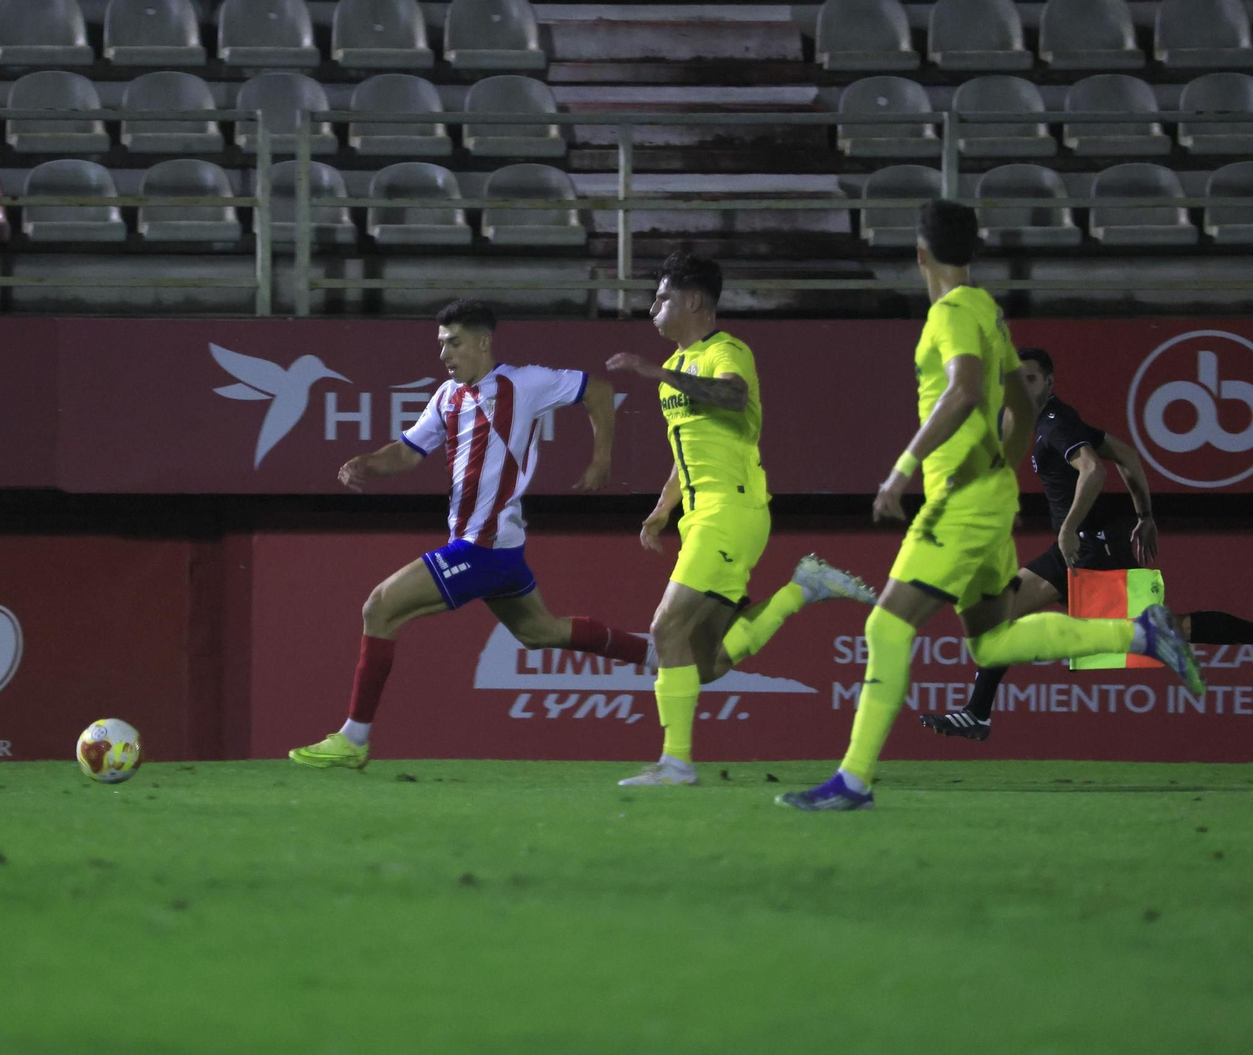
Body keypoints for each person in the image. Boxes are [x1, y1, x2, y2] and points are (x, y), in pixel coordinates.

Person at [777, 199, 1205, 812]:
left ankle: (852, 781)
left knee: (885, 624)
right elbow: (1022, 409)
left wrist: (902, 469)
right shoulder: (988, 311)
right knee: (991, 642)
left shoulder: (950, 312)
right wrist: (1001, 471)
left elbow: (965, 388)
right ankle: (1141, 630)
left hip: (957, 502)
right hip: (987, 498)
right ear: (971, 253)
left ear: (920, 254)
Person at [290, 298, 656, 770]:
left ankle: (353, 738)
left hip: (481, 548)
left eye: (454, 343)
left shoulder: (521, 384)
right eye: (441, 343)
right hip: (500, 551)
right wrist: (366, 464)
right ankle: (652, 654)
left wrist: (602, 458)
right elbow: (406, 452)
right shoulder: (447, 396)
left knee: (379, 608)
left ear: (483, 343)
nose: (444, 354)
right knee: (539, 631)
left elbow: (599, 389)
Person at [605, 252, 878, 787]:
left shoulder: (724, 351)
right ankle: (801, 590)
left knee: (665, 631)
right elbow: (691, 452)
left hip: (730, 511)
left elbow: (733, 396)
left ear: (693, 302)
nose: (652, 306)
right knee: (702, 664)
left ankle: (676, 765)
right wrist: (663, 508)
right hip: (704, 513)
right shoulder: (676, 374)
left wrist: (651, 369)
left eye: (661, 297)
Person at [921, 347, 1253, 740]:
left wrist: (1068, 528)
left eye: (1030, 379)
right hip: (1078, 548)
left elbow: (1093, 471)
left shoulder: (1056, 424)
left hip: (1089, 550)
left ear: (1048, 382)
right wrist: (1145, 516)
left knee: (1166, 630)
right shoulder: (1054, 418)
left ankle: (977, 712)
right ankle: (977, 714)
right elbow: (1127, 454)